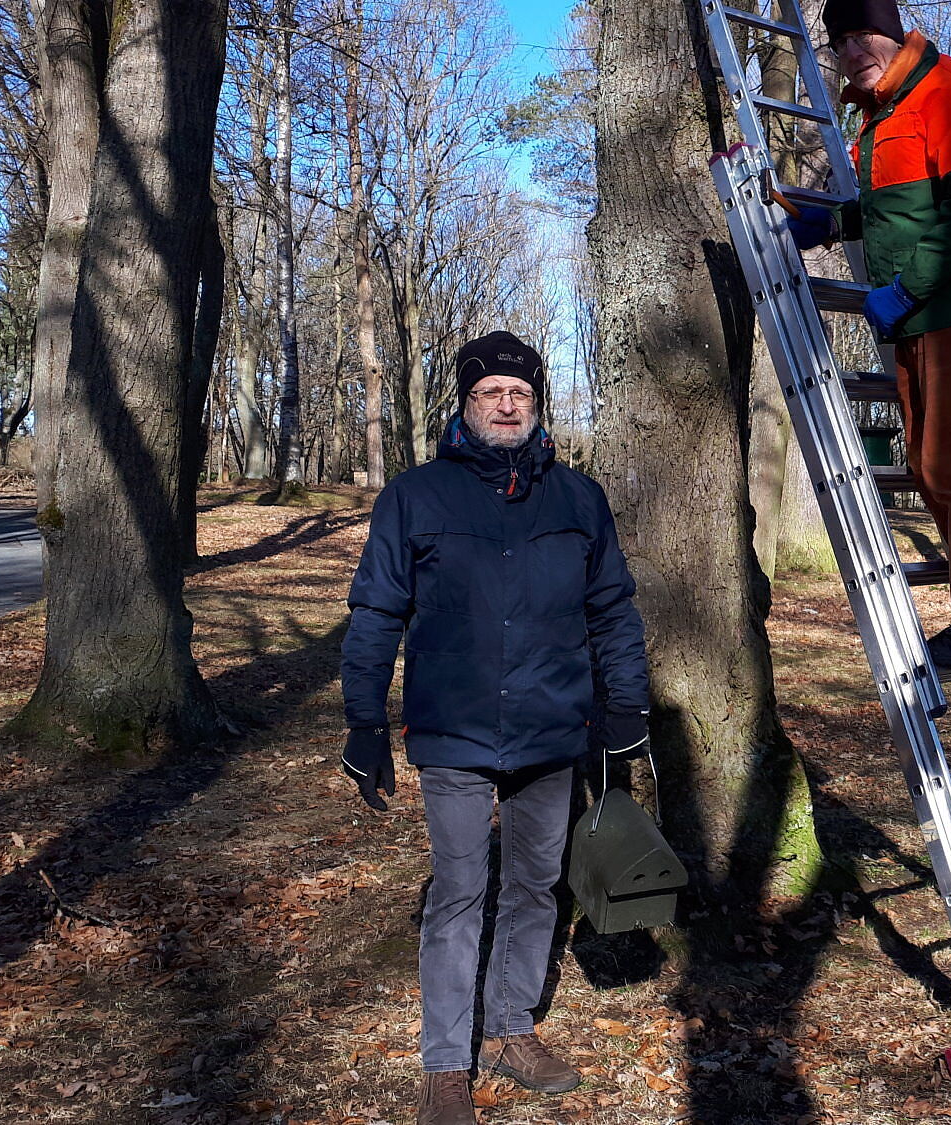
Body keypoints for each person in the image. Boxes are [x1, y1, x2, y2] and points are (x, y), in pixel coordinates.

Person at [337, 331, 653, 1125]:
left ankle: (512, 1029)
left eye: (519, 393)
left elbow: (613, 609)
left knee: (536, 883)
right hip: (454, 727)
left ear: (536, 404)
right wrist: (363, 719)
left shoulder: (578, 498)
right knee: (458, 890)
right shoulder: (415, 496)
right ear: (466, 404)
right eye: (490, 393)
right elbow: (376, 611)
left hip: (552, 727)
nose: (506, 405)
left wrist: (627, 706)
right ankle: (446, 1065)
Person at [786, 0, 951, 673]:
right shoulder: (881, 115)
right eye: (840, 43)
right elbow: (896, 209)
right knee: (928, 467)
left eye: (863, 37)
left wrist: (904, 288)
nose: (851, 53)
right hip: (917, 319)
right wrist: (831, 223)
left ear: (894, 37)